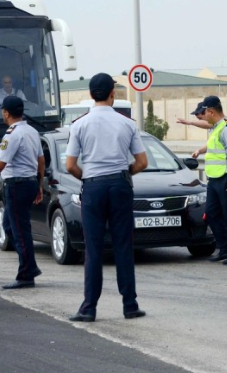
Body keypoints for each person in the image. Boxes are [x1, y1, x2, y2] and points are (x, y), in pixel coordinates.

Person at [65, 73, 148, 323]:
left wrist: (89, 178)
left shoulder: (80, 124)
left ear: (91, 95)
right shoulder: (127, 124)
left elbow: (70, 165)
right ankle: (130, 305)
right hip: (120, 184)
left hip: (93, 186)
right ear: (113, 93)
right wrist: (124, 174)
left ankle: (89, 307)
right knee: (123, 245)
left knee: (94, 248)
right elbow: (142, 162)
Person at [0, 96, 45, 289]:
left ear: (6, 112)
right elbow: (41, 160)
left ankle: (26, 274)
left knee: (19, 230)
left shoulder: (12, 134)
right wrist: (38, 184)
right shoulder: (32, 131)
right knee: (10, 227)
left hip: (17, 185)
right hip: (28, 183)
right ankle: (30, 266)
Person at [192, 96, 227, 265]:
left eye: (204, 112)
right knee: (212, 214)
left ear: (211, 111)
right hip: (214, 178)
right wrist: (200, 150)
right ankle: (224, 248)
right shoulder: (216, 128)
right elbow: (215, 145)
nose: (202, 115)